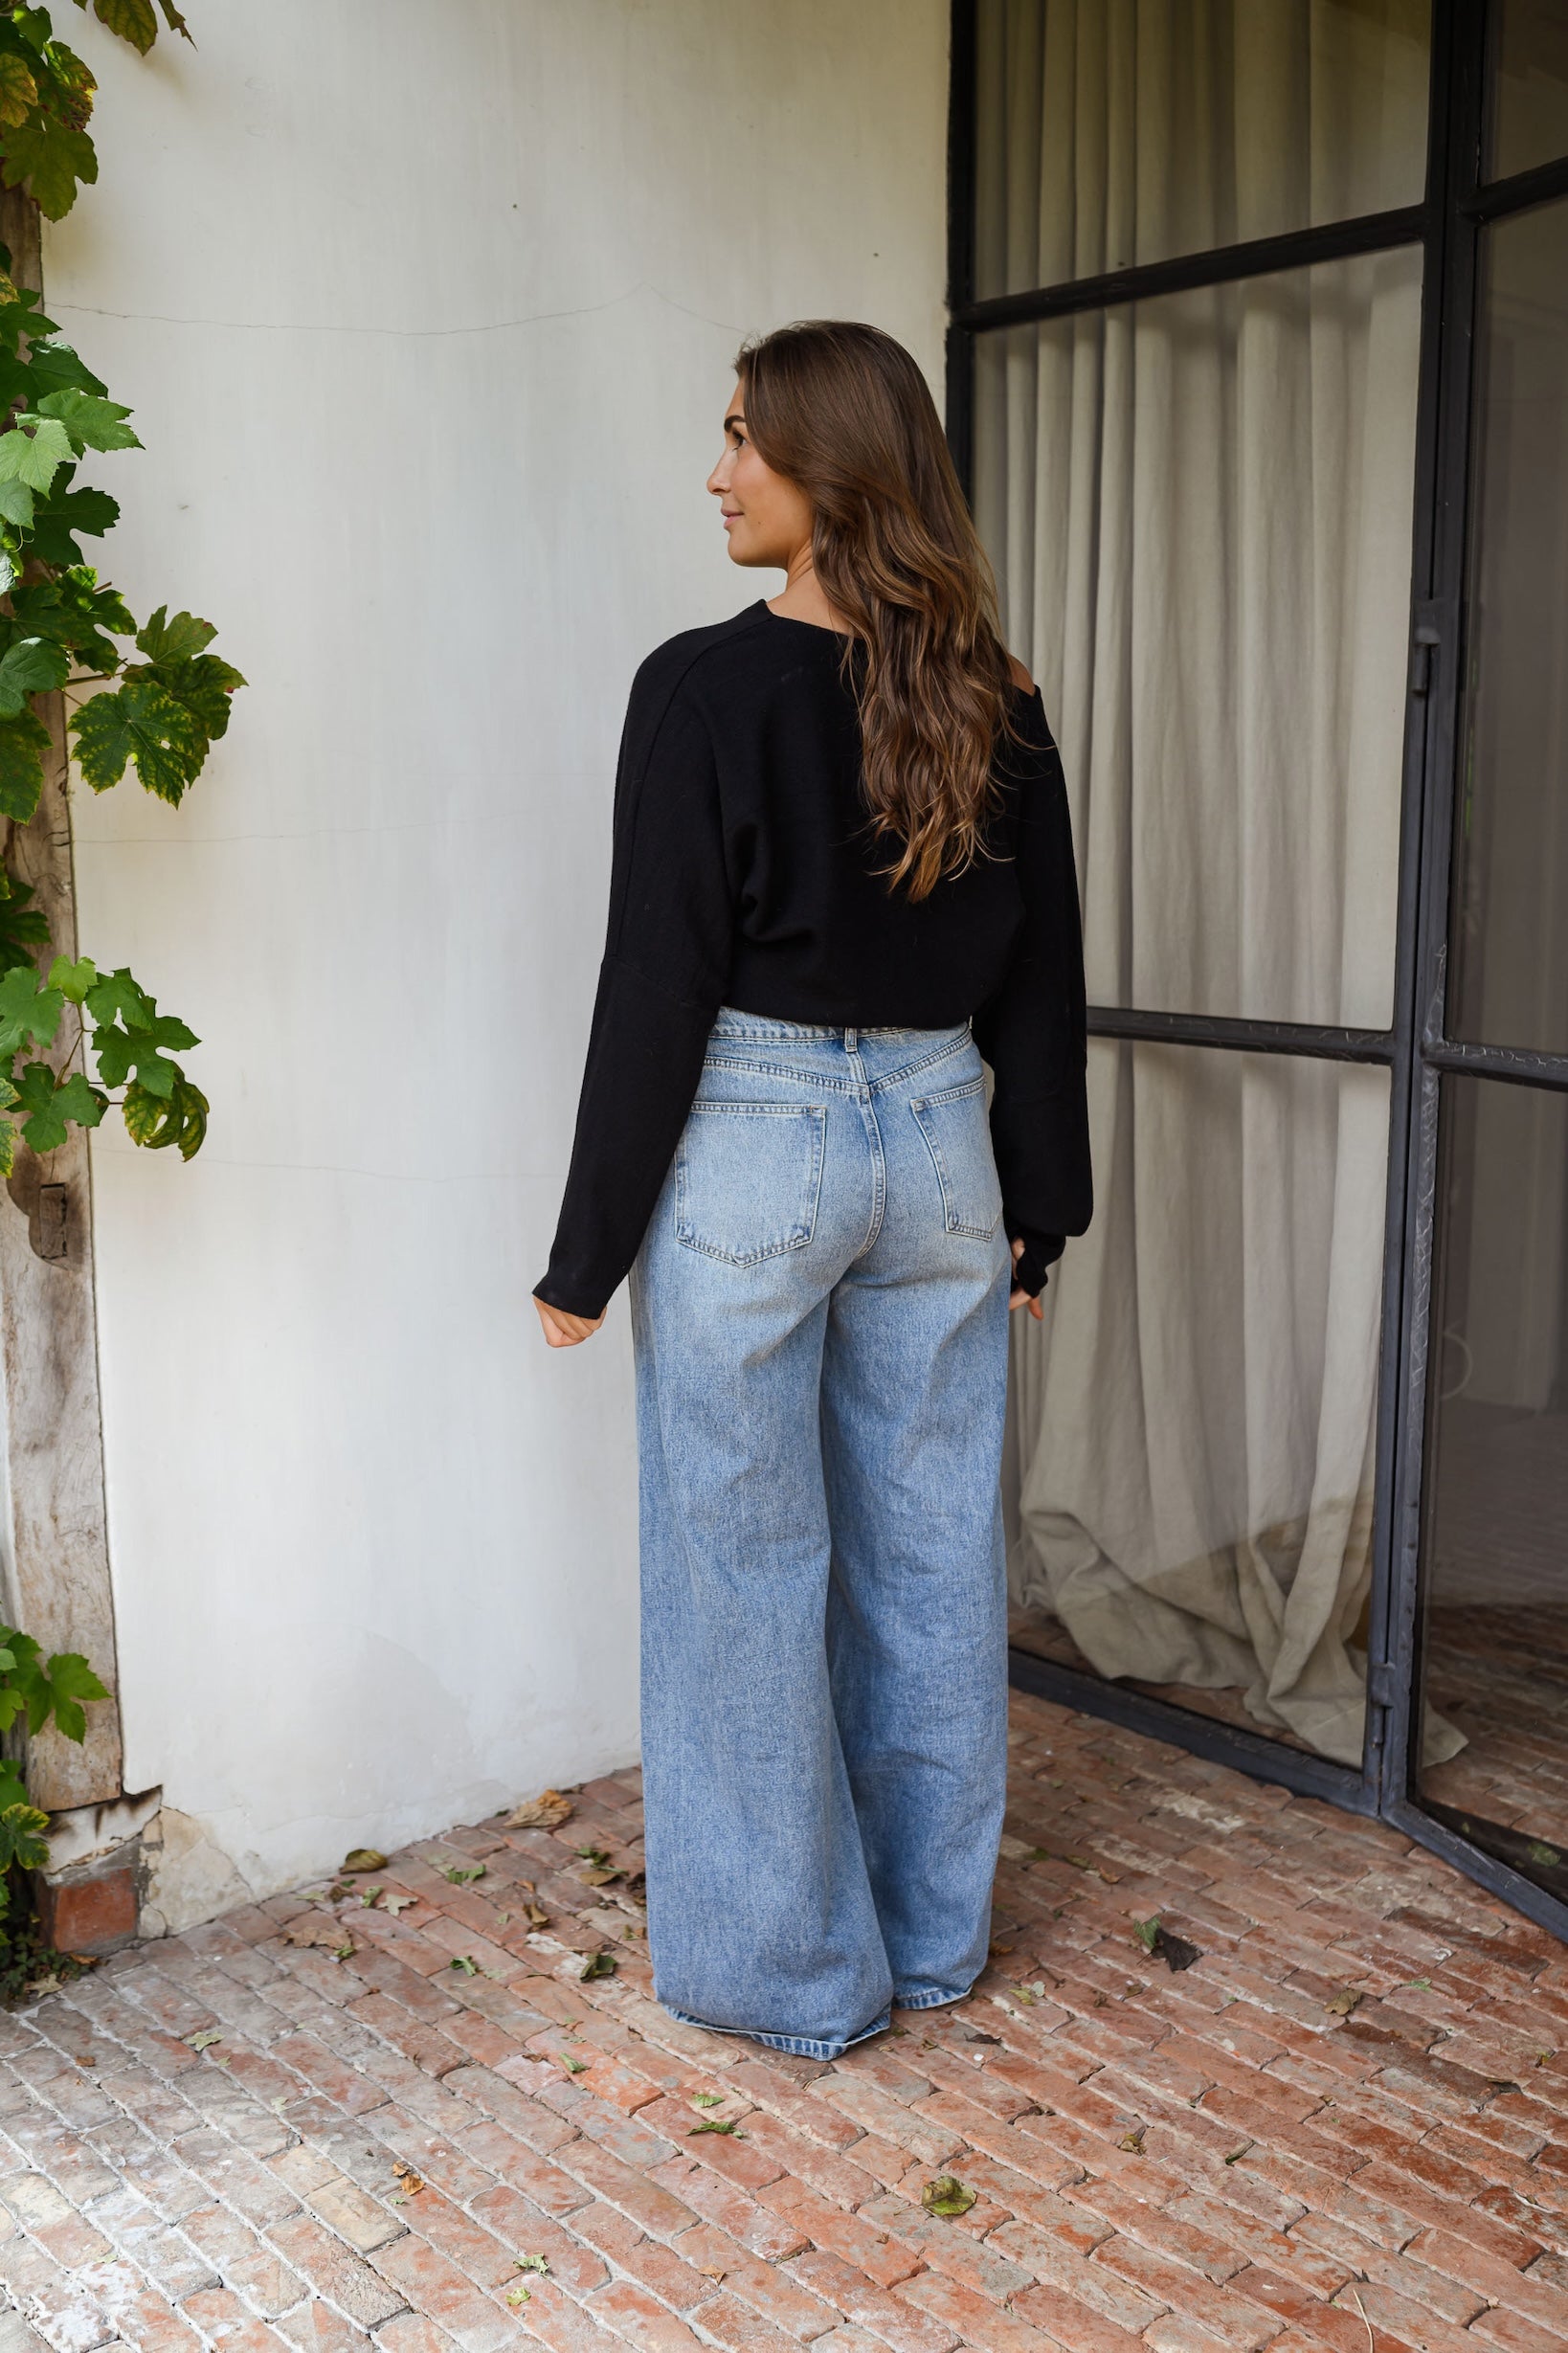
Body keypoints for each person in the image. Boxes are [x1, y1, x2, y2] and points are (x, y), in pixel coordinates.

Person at [532, 320, 1090, 2061]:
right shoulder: (994, 696)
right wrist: (1038, 1203)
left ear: (827, 469)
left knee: (742, 1570)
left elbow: (657, 983)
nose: (714, 473)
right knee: (928, 1558)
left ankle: (793, 1975)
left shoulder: (699, 686)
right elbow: (1042, 977)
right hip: (939, 1147)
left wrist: (585, 1249)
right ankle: (930, 1941)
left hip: (756, 1148)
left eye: (740, 442)